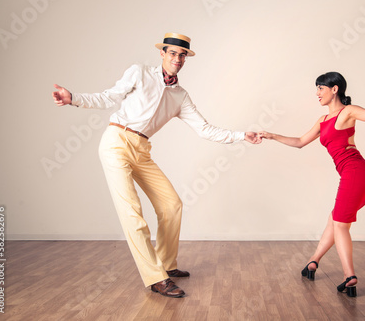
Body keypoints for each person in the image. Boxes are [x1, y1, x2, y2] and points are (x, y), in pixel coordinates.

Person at [52, 33, 261, 298]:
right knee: (133, 214)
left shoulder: (180, 96)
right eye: (172, 53)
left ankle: (165, 265)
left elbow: (205, 129)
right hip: (117, 142)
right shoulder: (139, 73)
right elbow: (109, 97)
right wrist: (74, 97)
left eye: (182, 55)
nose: (177, 59)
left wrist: (243, 135)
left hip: (142, 150)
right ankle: (155, 278)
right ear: (162, 54)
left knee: (171, 205)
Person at [259, 71, 365, 297]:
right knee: (334, 219)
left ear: (335, 89)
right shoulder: (323, 121)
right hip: (356, 174)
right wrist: (272, 135)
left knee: (340, 224)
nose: (317, 93)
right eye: (316, 89)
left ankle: (349, 276)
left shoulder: (347, 112)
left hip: (357, 172)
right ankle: (313, 262)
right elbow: (300, 142)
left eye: (321, 88)